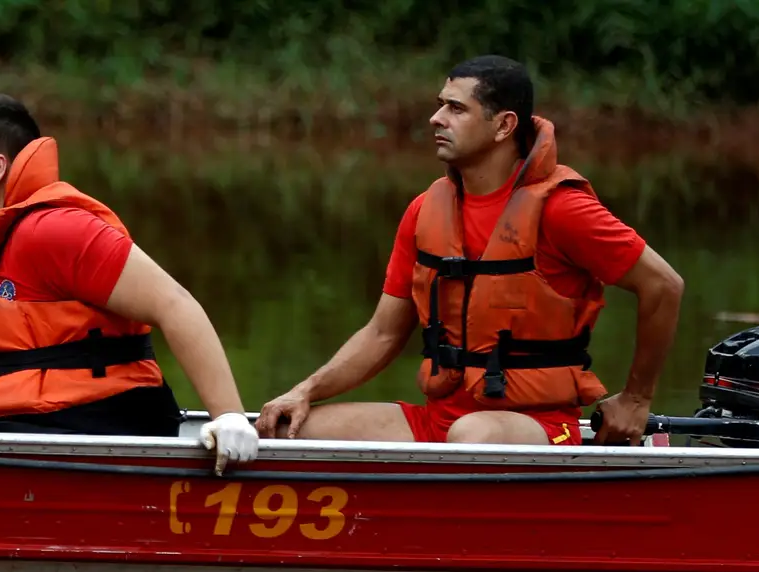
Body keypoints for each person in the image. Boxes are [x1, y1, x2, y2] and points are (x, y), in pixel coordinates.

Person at [257, 56, 684, 448]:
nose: (435, 118)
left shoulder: (562, 209)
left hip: (542, 427)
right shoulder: (425, 211)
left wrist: (636, 398)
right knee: (286, 430)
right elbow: (383, 334)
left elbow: (663, 285)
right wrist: (305, 391)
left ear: (503, 126)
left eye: (455, 109)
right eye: (440, 105)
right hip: (439, 423)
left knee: (472, 434)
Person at [0, 93, 258, 471]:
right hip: (0, 426)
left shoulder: (57, 230)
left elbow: (175, 304)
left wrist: (230, 416)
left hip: (91, 427)